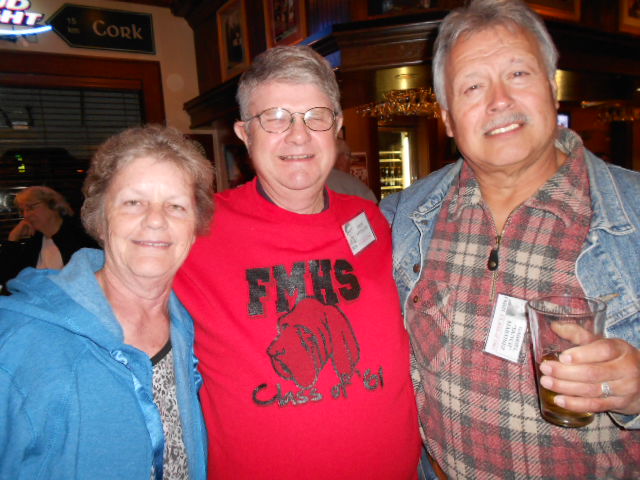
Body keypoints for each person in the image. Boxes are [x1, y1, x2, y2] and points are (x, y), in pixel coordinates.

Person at [380, 1, 640, 478]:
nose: (499, 100)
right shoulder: (405, 217)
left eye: (518, 74)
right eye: (473, 86)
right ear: (448, 119)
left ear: (552, 88)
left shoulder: (634, 214)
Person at [174, 45, 421, 479]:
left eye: (315, 117)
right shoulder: (196, 229)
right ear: (244, 133)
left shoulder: (374, 221)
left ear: (337, 127)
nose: (299, 135)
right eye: (275, 117)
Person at [0, 125, 213, 479]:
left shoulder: (193, 327)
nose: (155, 220)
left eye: (176, 206)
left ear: (194, 228)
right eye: (133, 202)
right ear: (99, 219)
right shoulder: (20, 341)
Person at [0, 185, 98, 293]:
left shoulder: (80, 236)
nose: (26, 215)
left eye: (31, 208)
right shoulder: (36, 241)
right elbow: (8, 281)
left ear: (53, 205)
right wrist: (13, 239)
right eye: (23, 211)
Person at [326, 138, 378, 202]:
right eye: (349, 156)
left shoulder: (318, 181)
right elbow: (373, 205)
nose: (350, 162)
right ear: (341, 158)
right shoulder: (354, 185)